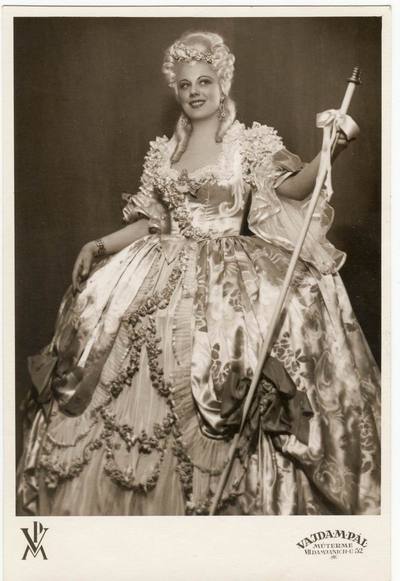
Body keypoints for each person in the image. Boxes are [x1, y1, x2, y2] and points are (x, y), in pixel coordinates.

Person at [16, 31, 380, 516]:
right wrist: (98, 245)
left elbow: (294, 189)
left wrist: (332, 147)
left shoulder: (248, 143)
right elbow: (152, 222)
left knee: (228, 362)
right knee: (112, 343)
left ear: (222, 84)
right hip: (156, 267)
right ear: (177, 90)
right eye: (185, 84)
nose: (194, 92)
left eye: (204, 81)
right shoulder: (164, 153)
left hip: (225, 279)